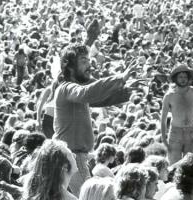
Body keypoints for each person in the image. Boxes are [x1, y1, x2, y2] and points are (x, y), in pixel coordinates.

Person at [53, 44, 138, 196]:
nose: (89, 65)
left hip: (75, 156)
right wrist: (119, 78)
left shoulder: (74, 90)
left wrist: (125, 90)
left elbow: (99, 98)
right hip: (72, 156)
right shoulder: (67, 88)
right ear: (70, 66)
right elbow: (87, 93)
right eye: (84, 61)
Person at [161, 64, 193, 165]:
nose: (183, 79)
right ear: (175, 78)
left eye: (185, 77)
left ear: (188, 78)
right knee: (173, 164)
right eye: (180, 77)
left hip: (191, 132)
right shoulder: (169, 95)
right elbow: (163, 119)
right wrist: (164, 138)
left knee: (189, 165)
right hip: (175, 133)